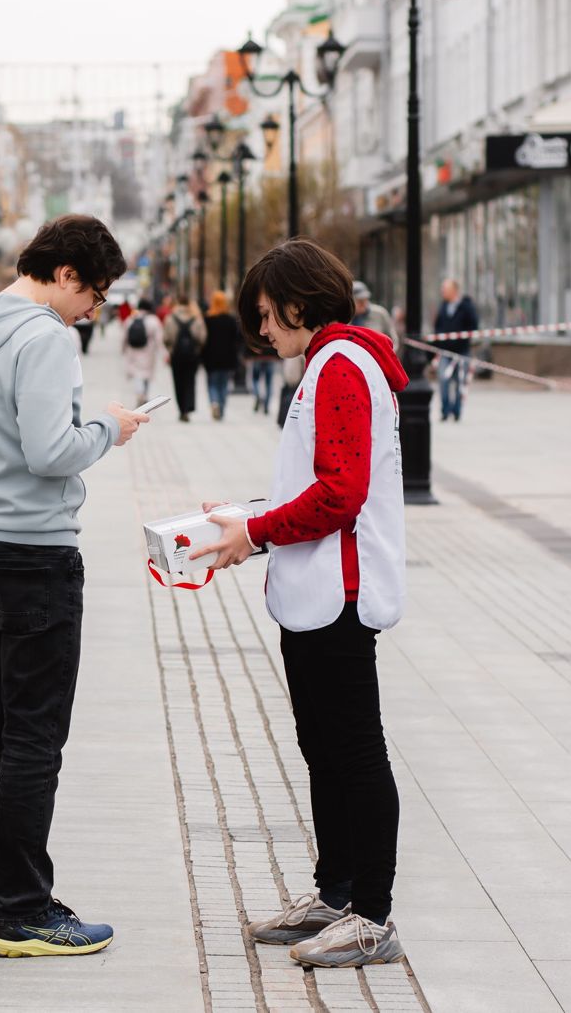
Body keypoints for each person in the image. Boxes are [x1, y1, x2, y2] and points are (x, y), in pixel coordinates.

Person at [0, 214, 148, 959]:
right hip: (35, 553)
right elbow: (52, 450)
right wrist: (109, 428)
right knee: (31, 736)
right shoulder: (44, 337)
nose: (94, 310)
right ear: (63, 274)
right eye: (94, 292)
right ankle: (24, 907)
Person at [199, 238, 407, 970]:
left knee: (354, 749)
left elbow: (341, 493)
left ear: (298, 301)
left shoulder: (341, 365)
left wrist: (254, 528)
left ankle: (371, 914)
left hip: (339, 593)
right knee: (323, 747)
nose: (262, 330)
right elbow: (314, 485)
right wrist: (244, 520)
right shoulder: (329, 364)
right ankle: (337, 891)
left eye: (266, 314)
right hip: (314, 590)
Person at [434, 278, 478, 421]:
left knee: (460, 382)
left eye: (445, 289)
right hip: (445, 352)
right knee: (443, 380)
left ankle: (457, 410)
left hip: (462, 352)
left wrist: (465, 340)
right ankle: (445, 410)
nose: (442, 291)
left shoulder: (466, 306)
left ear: (454, 290)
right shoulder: (443, 306)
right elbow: (438, 326)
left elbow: (473, 325)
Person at [163, 294, 206, 422]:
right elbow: (202, 337)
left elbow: (166, 338)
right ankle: (188, 407)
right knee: (190, 381)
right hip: (192, 356)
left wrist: (171, 348)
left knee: (178, 382)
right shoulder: (196, 318)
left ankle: (181, 409)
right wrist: (197, 348)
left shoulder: (170, 318)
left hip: (176, 355)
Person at [201, 290, 242, 420]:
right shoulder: (230, 320)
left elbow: (203, 339)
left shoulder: (207, 319)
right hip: (227, 357)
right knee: (224, 384)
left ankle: (214, 403)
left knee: (212, 383)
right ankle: (222, 408)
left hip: (211, 357)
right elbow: (237, 339)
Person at [121, 297, 165, 402]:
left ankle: (140, 393)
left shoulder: (130, 319)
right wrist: (163, 353)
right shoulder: (153, 320)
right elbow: (159, 339)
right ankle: (144, 393)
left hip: (133, 351)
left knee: (137, 374)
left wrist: (123, 349)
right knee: (146, 375)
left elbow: (124, 337)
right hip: (148, 352)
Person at [350, 280, 398, 349]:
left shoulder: (380, 313)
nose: (364, 303)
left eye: (365, 299)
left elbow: (393, 339)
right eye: (359, 301)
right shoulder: (344, 317)